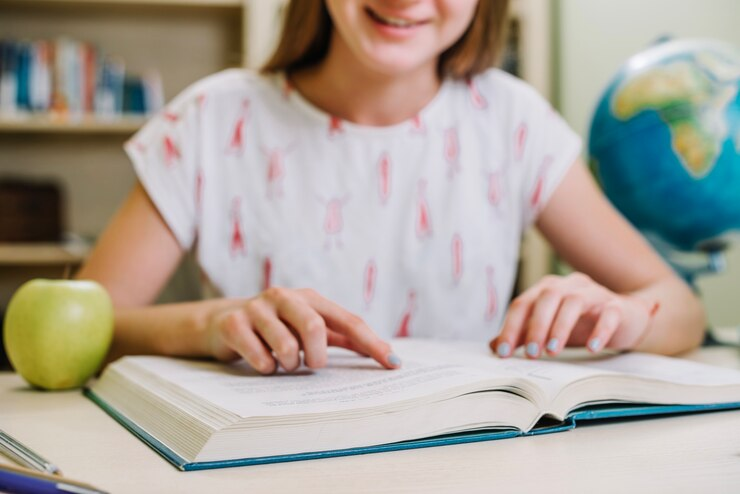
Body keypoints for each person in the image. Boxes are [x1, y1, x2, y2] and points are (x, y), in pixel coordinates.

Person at [76, 0, 705, 375]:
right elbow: (80, 326)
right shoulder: (212, 121)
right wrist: (209, 323)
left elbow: (680, 309)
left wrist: (622, 319)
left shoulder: (514, 124)